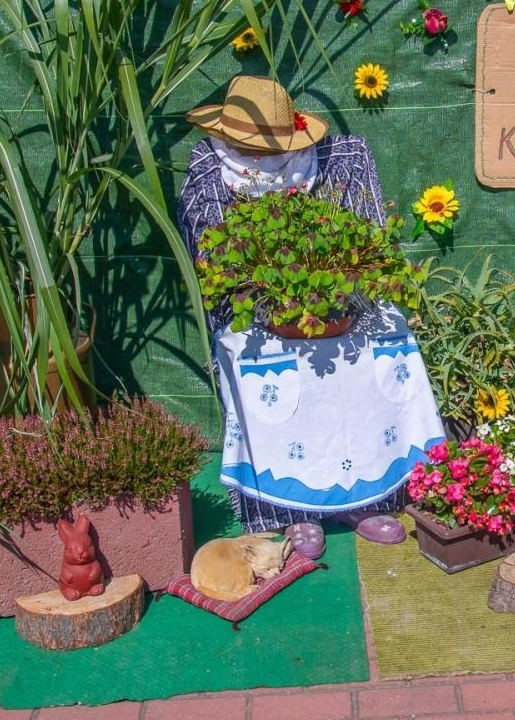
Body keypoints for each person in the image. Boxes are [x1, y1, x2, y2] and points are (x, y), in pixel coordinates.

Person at [177, 75, 444, 541]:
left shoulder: (341, 160)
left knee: (382, 341)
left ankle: (365, 495)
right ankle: (290, 507)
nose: (259, 157)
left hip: (341, 301)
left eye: (271, 145)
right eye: (250, 145)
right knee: (261, 359)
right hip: (255, 306)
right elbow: (209, 256)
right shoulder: (208, 167)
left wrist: (333, 295)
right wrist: (274, 297)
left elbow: (371, 237)